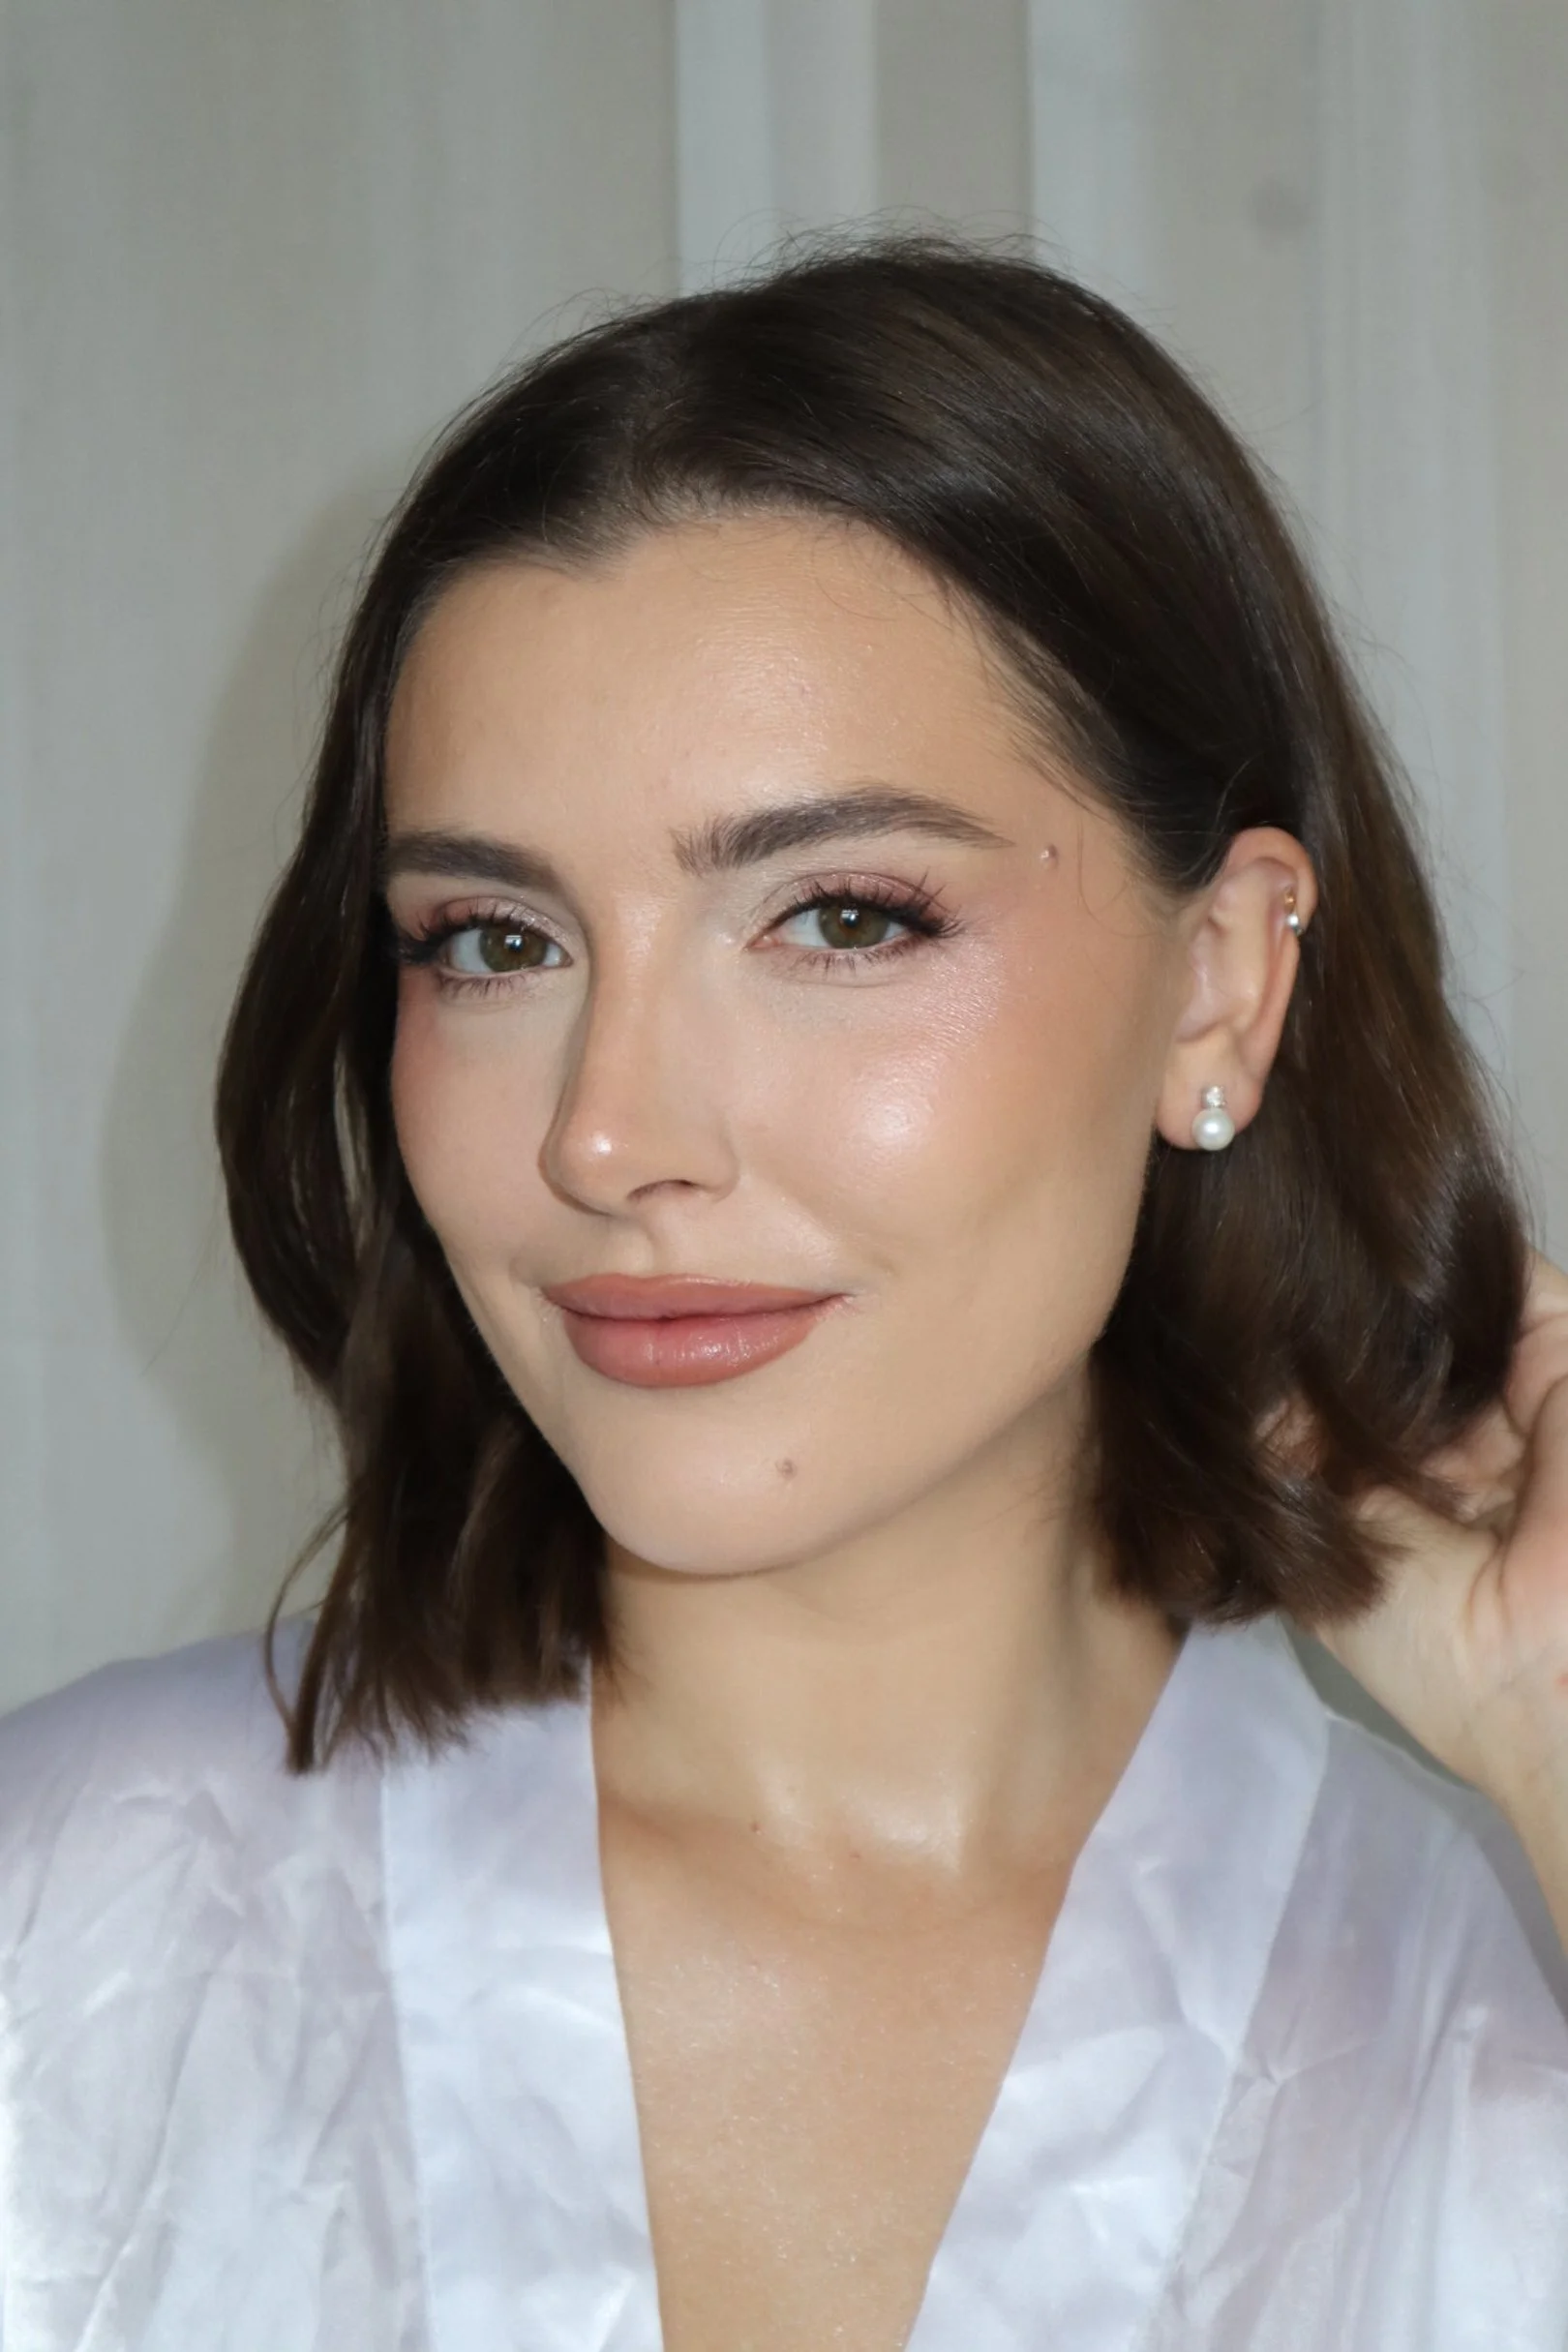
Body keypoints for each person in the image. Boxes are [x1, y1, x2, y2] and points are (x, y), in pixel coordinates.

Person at [2, 233, 1567, 2352]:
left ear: (1221, 979)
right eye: (493, 940)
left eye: (837, 916)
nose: (607, 1135)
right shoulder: (76, 1916)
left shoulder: (1496, 2006)